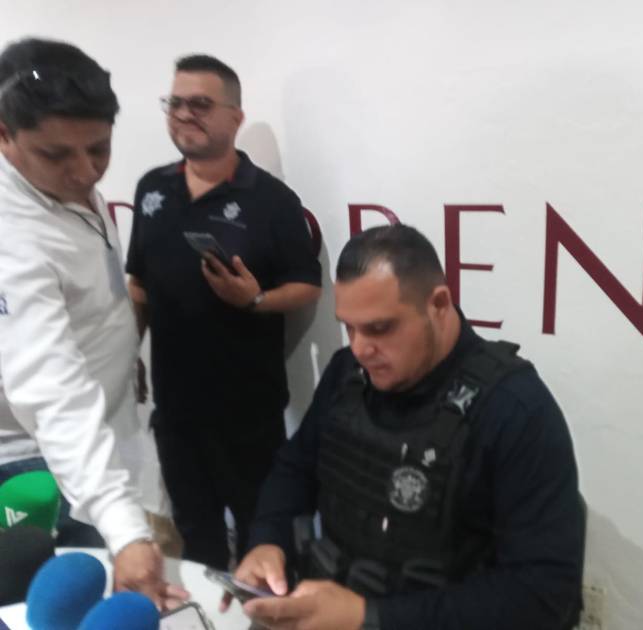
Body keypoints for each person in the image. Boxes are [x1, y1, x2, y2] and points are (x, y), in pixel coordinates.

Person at [229, 225, 585, 630]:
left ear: (439, 304)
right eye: (349, 327)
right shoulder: (348, 374)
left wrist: (370, 617)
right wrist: (268, 540)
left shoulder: (514, 410)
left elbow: (542, 595)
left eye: (379, 328)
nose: (360, 349)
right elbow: (295, 467)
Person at [0, 37, 186, 607]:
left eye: (99, 148)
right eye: (58, 155)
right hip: (42, 471)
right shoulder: (11, 242)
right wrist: (124, 529)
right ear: (3, 135)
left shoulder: (65, 187)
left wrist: (122, 349)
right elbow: (52, 392)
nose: (85, 172)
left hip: (114, 438)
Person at [126, 54, 322, 570]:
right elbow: (139, 283)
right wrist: (129, 352)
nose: (183, 114)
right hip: (175, 412)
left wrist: (254, 300)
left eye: (199, 104)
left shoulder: (273, 200)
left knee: (264, 541)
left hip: (248, 416)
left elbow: (307, 286)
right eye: (175, 103)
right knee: (197, 541)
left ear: (235, 117)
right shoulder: (152, 188)